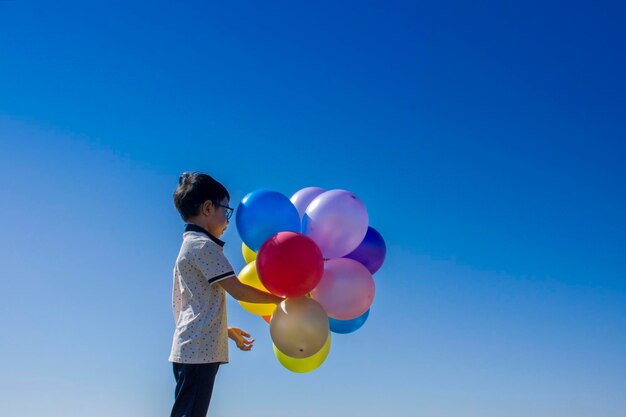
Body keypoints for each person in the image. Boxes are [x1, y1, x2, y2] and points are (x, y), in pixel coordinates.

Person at [169, 171, 283, 417]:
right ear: (208, 208)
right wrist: (279, 299)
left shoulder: (190, 245)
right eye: (226, 211)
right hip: (198, 352)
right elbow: (238, 289)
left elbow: (193, 305)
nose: (227, 220)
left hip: (193, 348)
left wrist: (225, 331)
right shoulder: (203, 246)